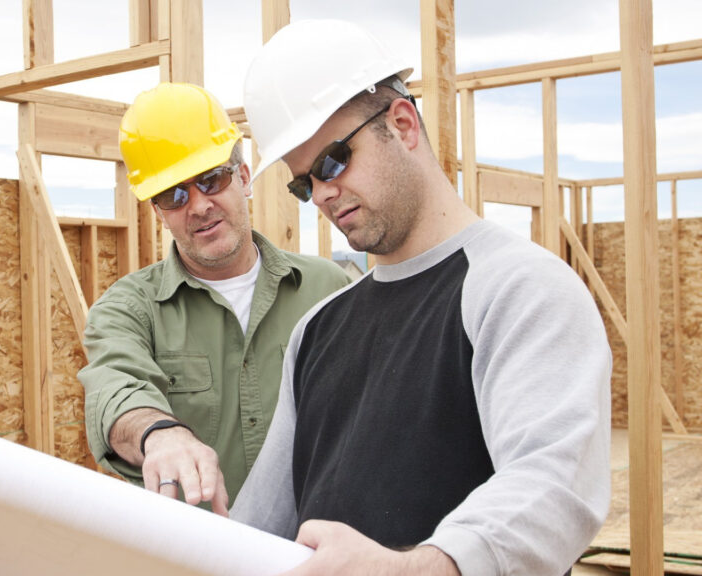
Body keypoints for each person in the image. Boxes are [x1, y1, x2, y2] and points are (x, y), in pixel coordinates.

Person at [230, 19, 612, 575]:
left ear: (403, 124)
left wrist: (408, 569)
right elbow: (259, 523)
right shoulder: (317, 329)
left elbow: (551, 483)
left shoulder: (518, 289)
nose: (322, 194)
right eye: (303, 182)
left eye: (334, 160)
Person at [78, 82, 352, 515]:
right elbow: (116, 389)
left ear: (243, 178)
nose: (199, 206)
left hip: (316, 551)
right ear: (158, 211)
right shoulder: (127, 310)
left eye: (212, 179)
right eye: (174, 194)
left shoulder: (327, 288)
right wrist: (160, 433)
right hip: (194, 556)